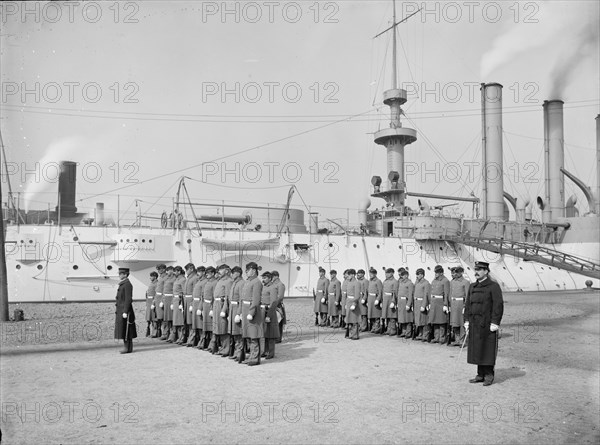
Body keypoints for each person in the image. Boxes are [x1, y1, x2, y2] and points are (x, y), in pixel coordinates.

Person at [464, 261, 504, 386]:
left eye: (479, 269)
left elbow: (498, 306)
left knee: (487, 349)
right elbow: (468, 305)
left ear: (486, 271)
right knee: (477, 349)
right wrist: (466, 321)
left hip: (487, 324)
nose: (476, 272)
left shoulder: (493, 286)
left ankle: (488, 375)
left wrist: (495, 322)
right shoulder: (472, 287)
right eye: (475, 269)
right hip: (475, 323)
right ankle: (480, 374)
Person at [240, 262, 264, 366]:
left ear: (253, 270)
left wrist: (252, 312)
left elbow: (256, 299)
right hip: (245, 310)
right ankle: (251, 356)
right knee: (249, 335)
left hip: (251, 311)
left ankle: (254, 358)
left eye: (248, 270)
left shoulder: (256, 282)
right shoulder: (248, 282)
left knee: (254, 336)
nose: (246, 271)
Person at [212, 264, 233, 356]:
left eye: (221, 270)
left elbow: (228, 297)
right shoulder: (220, 281)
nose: (219, 272)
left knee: (224, 327)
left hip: (222, 305)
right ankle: (222, 347)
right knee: (218, 328)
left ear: (227, 271)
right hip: (217, 305)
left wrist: (224, 310)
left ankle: (227, 349)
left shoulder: (229, 281)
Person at [114, 268, 136, 354]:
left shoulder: (127, 284)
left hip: (124, 310)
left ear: (125, 274)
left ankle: (127, 348)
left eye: (120, 274)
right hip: (121, 310)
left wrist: (125, 311)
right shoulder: (124, 283)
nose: (119, 275)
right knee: (124, 329)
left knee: (126, 329)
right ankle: (128, 348)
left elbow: (128, 299)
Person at [260, 271, 280, 360]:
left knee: (271, 334)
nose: (263, 279)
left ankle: (271, 353)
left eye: (264, 278)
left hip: (269, 311)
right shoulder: (264, 287)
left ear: (269, 278)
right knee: (265, 333)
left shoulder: (272, 288)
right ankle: (265, 351)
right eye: (262, 278)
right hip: (263, 310)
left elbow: (273, 302)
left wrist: (269, 315)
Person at [449, 266, 470, 346]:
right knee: (454, 322)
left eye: (457, 272)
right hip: (453, 303)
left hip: (461, 303)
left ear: (461, 273)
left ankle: (462, 340)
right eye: (455, 272)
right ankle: (457, 340)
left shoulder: (465, 282)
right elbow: (450, 293)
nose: (455, 274)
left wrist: (465, 306)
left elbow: (468, 295)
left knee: (461, 323)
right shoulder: (452, 282)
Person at [429, 265, 450, 344]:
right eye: (435, 272)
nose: (436, 274)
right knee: (435, 320)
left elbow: (446, 293)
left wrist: (445, 304)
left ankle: (442, 338)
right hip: (434, 302)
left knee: (441, 321)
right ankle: (436, 337)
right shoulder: (434, 281)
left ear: (441, 273)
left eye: (437, 272)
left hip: (440, 302)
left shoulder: (445, 281)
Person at [228, 266, 245, 359]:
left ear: (238, 273)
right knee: (234, 333)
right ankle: (236, 352)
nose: (231, 275)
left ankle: (240, 354)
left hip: (237, 308)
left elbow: (241, 299)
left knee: (238, 333)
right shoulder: (235, 283)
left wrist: (239, 313)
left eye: (233, 273)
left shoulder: (241, 283)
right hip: (232, 308)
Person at [180, 263, 199, 345]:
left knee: (191, 321)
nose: (186, 271)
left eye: (187, 269)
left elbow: (195, 291)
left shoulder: (195, 278)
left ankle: (192, 340)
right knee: (187, 321)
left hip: (191, 300)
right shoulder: (189, 278)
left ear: (191, 269)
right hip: (186, 300)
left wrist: (191, 304)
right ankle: (188, 338)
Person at [187, 266, 206, 347]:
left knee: (201, 324)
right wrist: (191, 304)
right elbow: (193, 294)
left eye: (199, 272)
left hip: (199, 303)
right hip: (195, 303)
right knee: (195, 323)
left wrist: (200, 307)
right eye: (197, 271)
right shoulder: (199, 281)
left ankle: (202, 342)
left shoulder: (205, 282)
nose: (198, 273)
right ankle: (195, 340)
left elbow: (203, 296)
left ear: (203, 272)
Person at [198, 266, 217, 350]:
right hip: (205, 305)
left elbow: (214, 297)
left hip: (210, 305)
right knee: (206, 326)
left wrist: (212, 309)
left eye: (208, 273)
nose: (207, 275)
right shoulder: (207, 282)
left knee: (212, 327)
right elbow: (202, 296)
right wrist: (200, 307)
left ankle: (212, 345)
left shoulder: (215, 282)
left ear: (213, 273)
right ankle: (206, 343)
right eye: (206, 273)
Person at [168, 266, 186, 343]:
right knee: (175, 320)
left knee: (180, 320)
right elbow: (174, 292)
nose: (174, 273)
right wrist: (172, 302)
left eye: (175, 271)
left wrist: (182, 302)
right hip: (175, 300)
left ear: (179, 272)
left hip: (179, 301)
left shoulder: (182, 280)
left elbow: (184, 291)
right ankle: (176, 336)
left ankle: (182, 337)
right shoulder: (177, 280)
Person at [396, 268, 414, 338]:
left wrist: (409, 304)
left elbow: (410, 294)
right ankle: (403, 331)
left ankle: (408, 333)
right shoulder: (401, 283)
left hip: (406, 301)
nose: (402, 276)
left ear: (406, 275)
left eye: (403, 275)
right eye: (401, 275)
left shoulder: (409, 283)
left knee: (408, 318)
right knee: (402, 318)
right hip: (401, 302)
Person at [413, 268, 430, 341]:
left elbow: (426, 295)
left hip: (422, 302)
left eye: (418, 274)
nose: (417, 276)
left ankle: (425, 335)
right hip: (416, 302)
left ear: (422, 275)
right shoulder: (417, 282)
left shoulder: (426, 283)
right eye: (416, 274)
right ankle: (420, 334)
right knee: (418, 320)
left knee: (423, 319)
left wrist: (424, 305)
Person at [160, 266, 176, 340]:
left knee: (171, 318)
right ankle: (166, 333)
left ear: (172, 271)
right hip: (166, 299)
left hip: (170, 299)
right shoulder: (166, 279)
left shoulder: (174, 279)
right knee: (166, 318)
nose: (168, 272)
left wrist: (173, 301)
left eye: (170, 270)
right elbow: (164, 290)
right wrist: (162, 300)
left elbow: (174, 291)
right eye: (167, 270)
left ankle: (172, 335)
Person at [344, 269, 361, 340]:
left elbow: (357, 295)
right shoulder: (349, 282)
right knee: (349, 319)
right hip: (348, 301)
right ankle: (351, 334)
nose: (347, 276)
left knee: (354, 319)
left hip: (354, 302)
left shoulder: (356, 283)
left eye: (349, 274)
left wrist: (354, 303)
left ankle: (355, 335)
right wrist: (345, 303)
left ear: (353, 275)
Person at [152, 264, 167, 338]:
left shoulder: (166, 277)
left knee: (164, 317)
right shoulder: (160, 278)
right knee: (158, 317)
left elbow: (165, 289)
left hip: (162, 298)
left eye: (159, 269)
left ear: (164, 269)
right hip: (157, 298)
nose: (158, 271)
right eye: (157, 269)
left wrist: (162, 300)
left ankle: (165, 333)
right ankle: (158, 332)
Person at [271, 271, 286, 343]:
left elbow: (280, 297)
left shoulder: (280, 285)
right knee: (274, 322)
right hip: (272, 304)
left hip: (278, 305)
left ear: (276, 276)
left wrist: (274, 304)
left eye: (272, 276)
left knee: (278, 322)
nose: (272, 278)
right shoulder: (273, 284)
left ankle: (278, 338)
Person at [367, 267, 383, 334]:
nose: (370, 275)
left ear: (375, 274)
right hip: (370, 298)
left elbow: (380, 291)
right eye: (370, 273)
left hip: (375, 298)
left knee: (376, 314)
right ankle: (373, 326)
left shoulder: (378, 281)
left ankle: (377, 327)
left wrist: (378, 299)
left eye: (372, 274)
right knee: (371, 314)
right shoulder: (370, 280)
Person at [382, 268, 398, 335]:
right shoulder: (385, 281)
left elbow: (395, 293)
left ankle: (393, 329)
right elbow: (383, 291)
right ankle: (388, 329)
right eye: (386, 273)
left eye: (387, 273)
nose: (386, 275)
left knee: (392, 316)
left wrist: (393, 302)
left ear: (392, 273)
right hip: (385, 299)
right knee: (387, 315)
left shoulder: (395, 282)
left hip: (391, 299)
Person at [145, 271, 158, 337]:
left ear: (155, 277)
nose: (150, 278)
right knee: (149, 318)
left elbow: (156, 294)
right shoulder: (151, 283)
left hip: (153, 301)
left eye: (151, 276)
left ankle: (155, 333)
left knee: (154, 318)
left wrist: (154, 302)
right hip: (149, 301)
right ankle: (149, 331)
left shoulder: (156, 284)